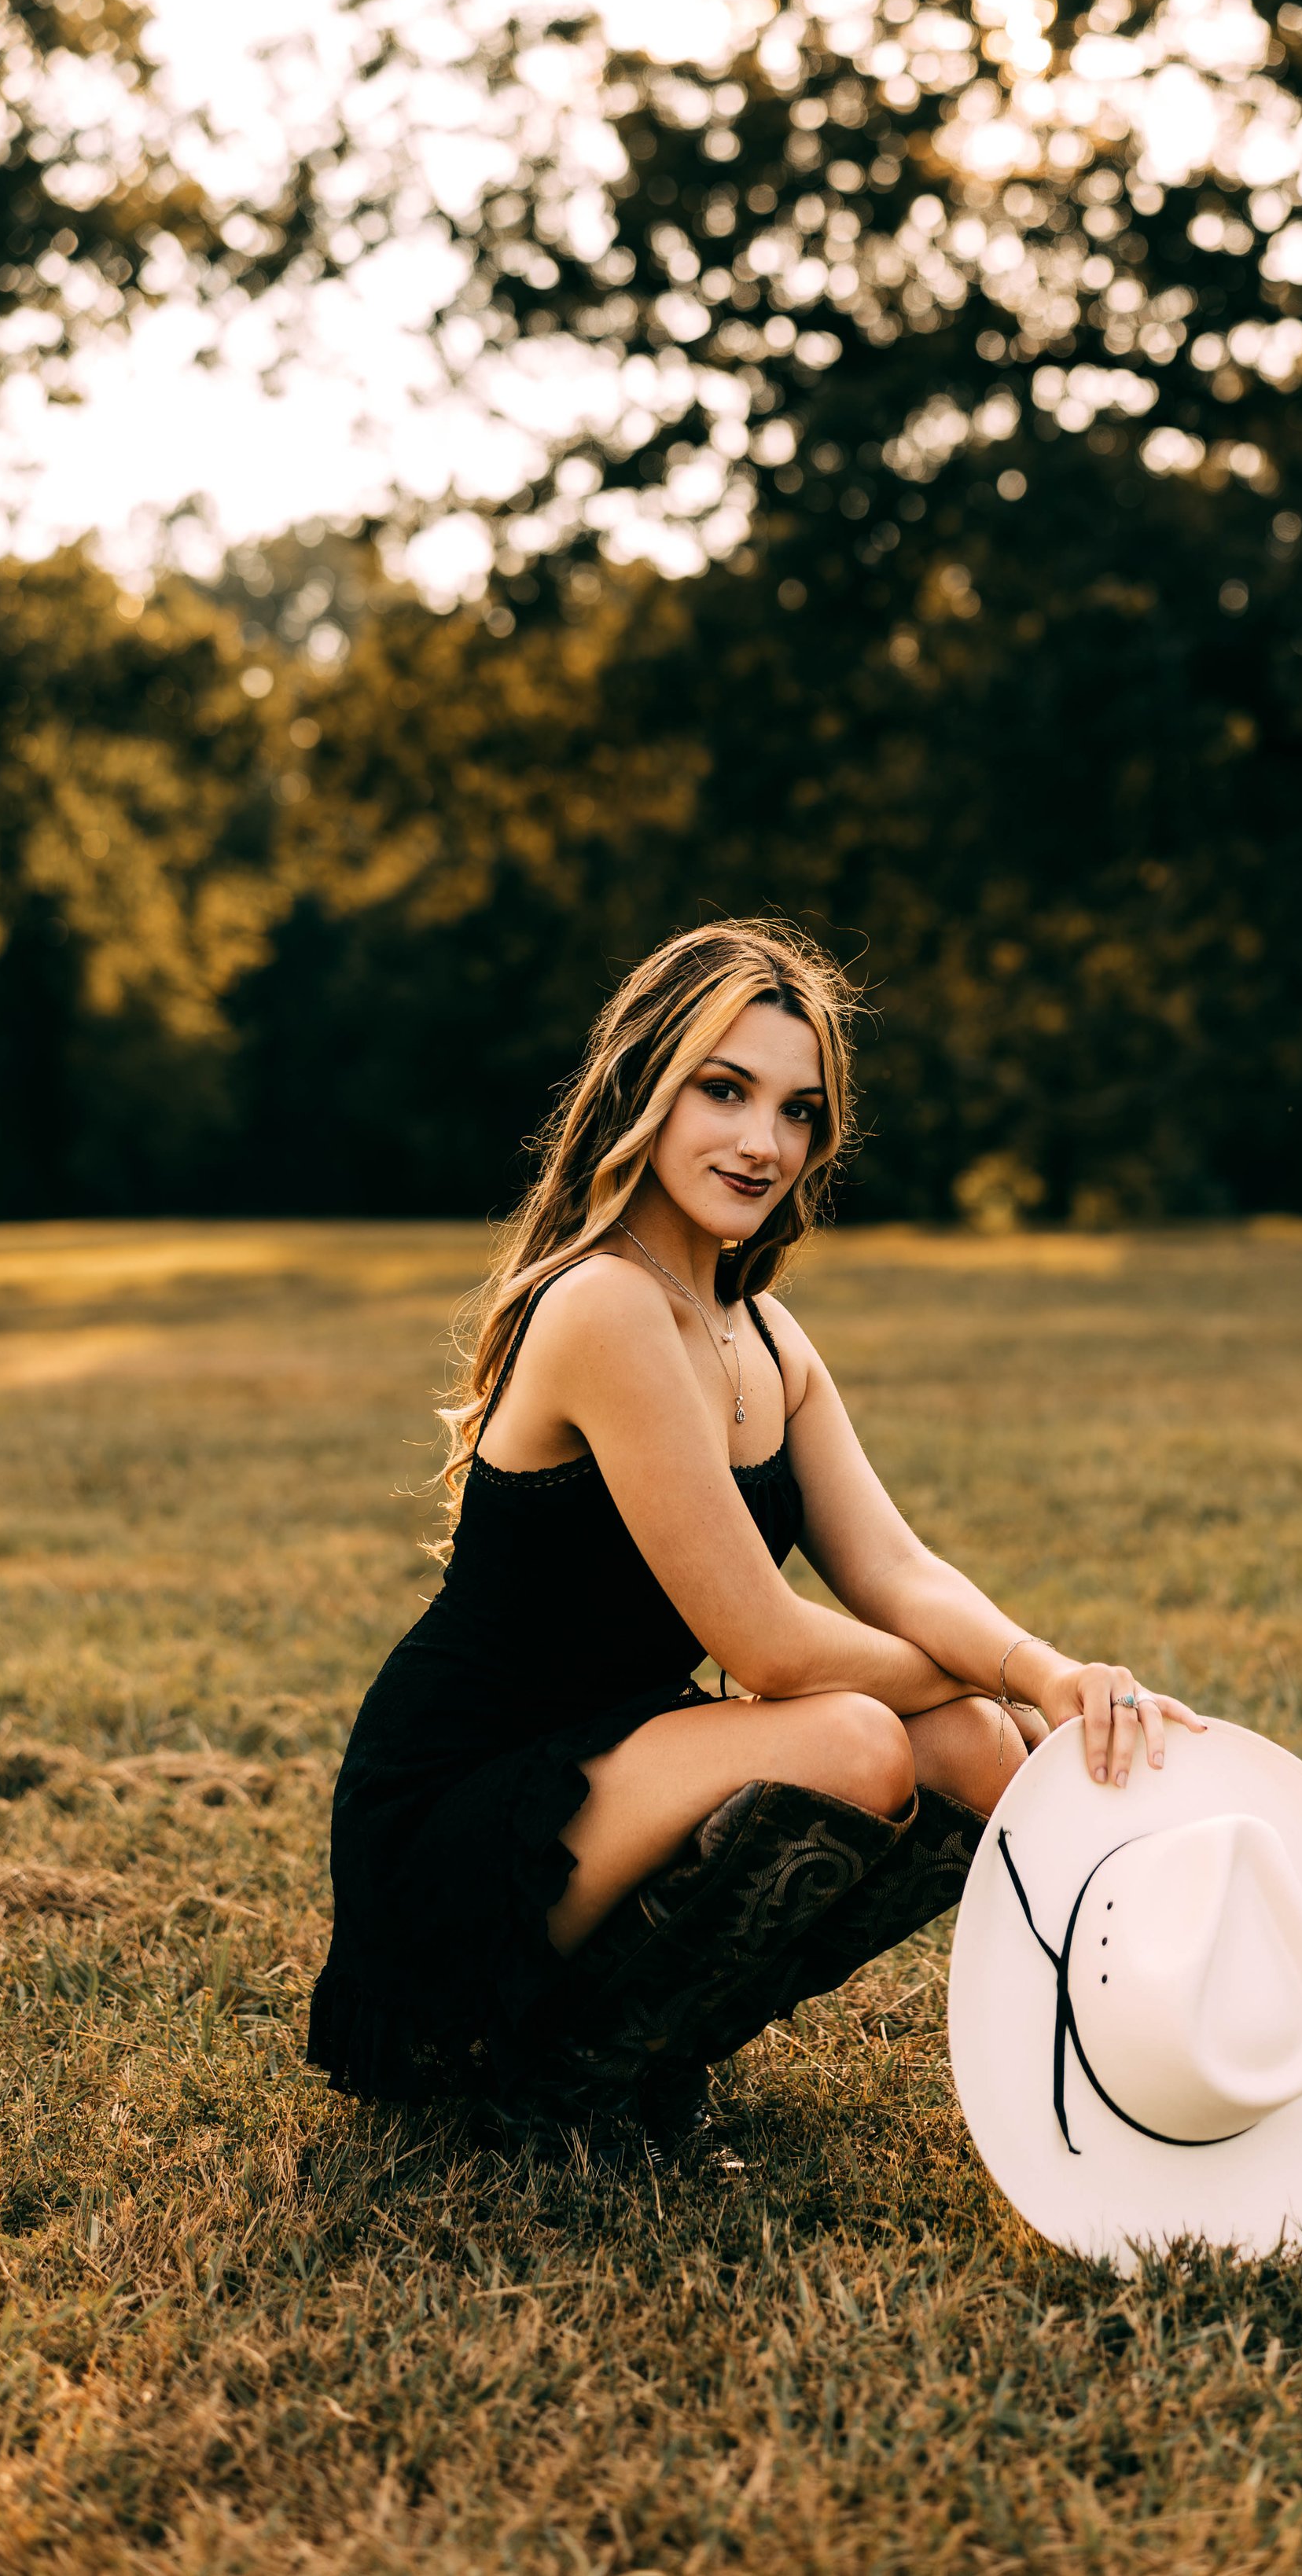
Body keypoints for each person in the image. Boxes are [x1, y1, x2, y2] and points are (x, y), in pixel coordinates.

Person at [307, 917, 1204, 2155]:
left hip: (625, 1761)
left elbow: (895, 1569)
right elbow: (770, 1648)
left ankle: (665, 2054)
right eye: (722, 1089)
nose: (760, 1140)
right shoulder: (604, 1304)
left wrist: (1041, 1679)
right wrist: (1011, 1667)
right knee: (851, 1739)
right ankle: (551, 2079)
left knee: (979, 1747)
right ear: (645, 1089)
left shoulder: (765, 1334)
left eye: (796, 1110)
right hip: (465, 1807)